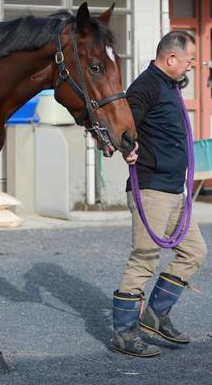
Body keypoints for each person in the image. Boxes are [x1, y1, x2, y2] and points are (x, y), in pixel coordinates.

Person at [111, 30, 208, 357]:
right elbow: (122, 125)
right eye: (189, 60)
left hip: (173, 191)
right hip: (151, 190)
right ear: (171, 58)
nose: (192, 66)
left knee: (194, 250)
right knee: (144, 260)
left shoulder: (168, 85)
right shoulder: (146, 86)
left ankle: (155, 314)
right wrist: (128, 148)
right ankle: (124, 334)